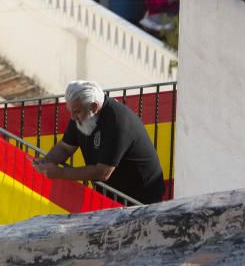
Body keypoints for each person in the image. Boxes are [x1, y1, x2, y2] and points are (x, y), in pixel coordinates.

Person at [32, 80, 166, 205]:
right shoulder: (81, 114)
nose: (72, 117)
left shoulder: (117, 122)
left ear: (94, 107)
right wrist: (47, 161)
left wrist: (60, 173)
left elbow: (103, 172)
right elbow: (65, 147)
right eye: (71, 111)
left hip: (139, 198)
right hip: (111, 195)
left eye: (76, 112)